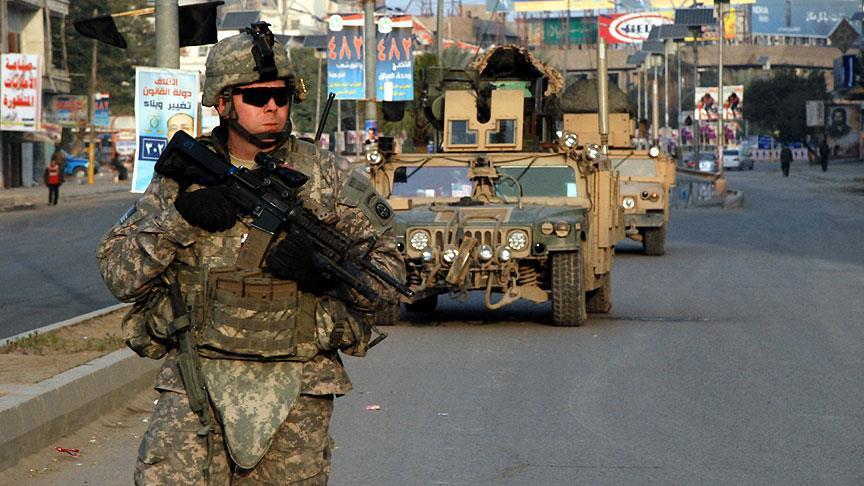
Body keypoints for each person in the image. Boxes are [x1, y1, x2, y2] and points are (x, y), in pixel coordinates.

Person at [97, 22, 404, 484]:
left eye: (281, 95)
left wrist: (322, 274)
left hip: (299, 383)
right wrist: (181, 218)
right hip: (197, 379)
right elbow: (118, 275)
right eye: (257, 97)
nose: (272, 107)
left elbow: (387, 283)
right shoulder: (183, 179)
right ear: (222, 103)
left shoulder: (329, 178)